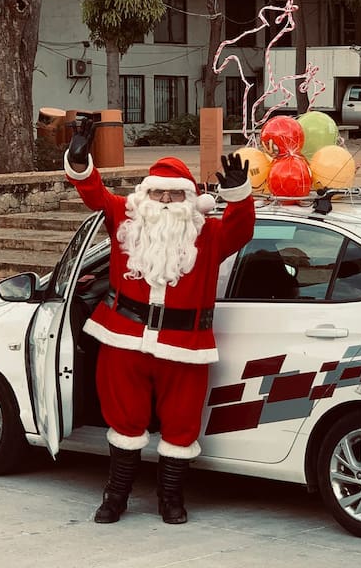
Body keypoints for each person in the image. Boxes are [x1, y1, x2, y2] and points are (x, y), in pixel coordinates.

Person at [64, 118, 255, 525]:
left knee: (181, 425)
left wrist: (239, 196)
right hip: (123, 339)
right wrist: (80, 160)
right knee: (123, 420)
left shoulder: (209, 234)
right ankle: (116, 496)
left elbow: (242, 230)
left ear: (190, 199)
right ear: (144, 196)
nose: (166, 200)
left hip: (185, 347)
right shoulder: (125, 219)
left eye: (175, 194)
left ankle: (171, 498)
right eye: (158, 193)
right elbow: (94, 194)